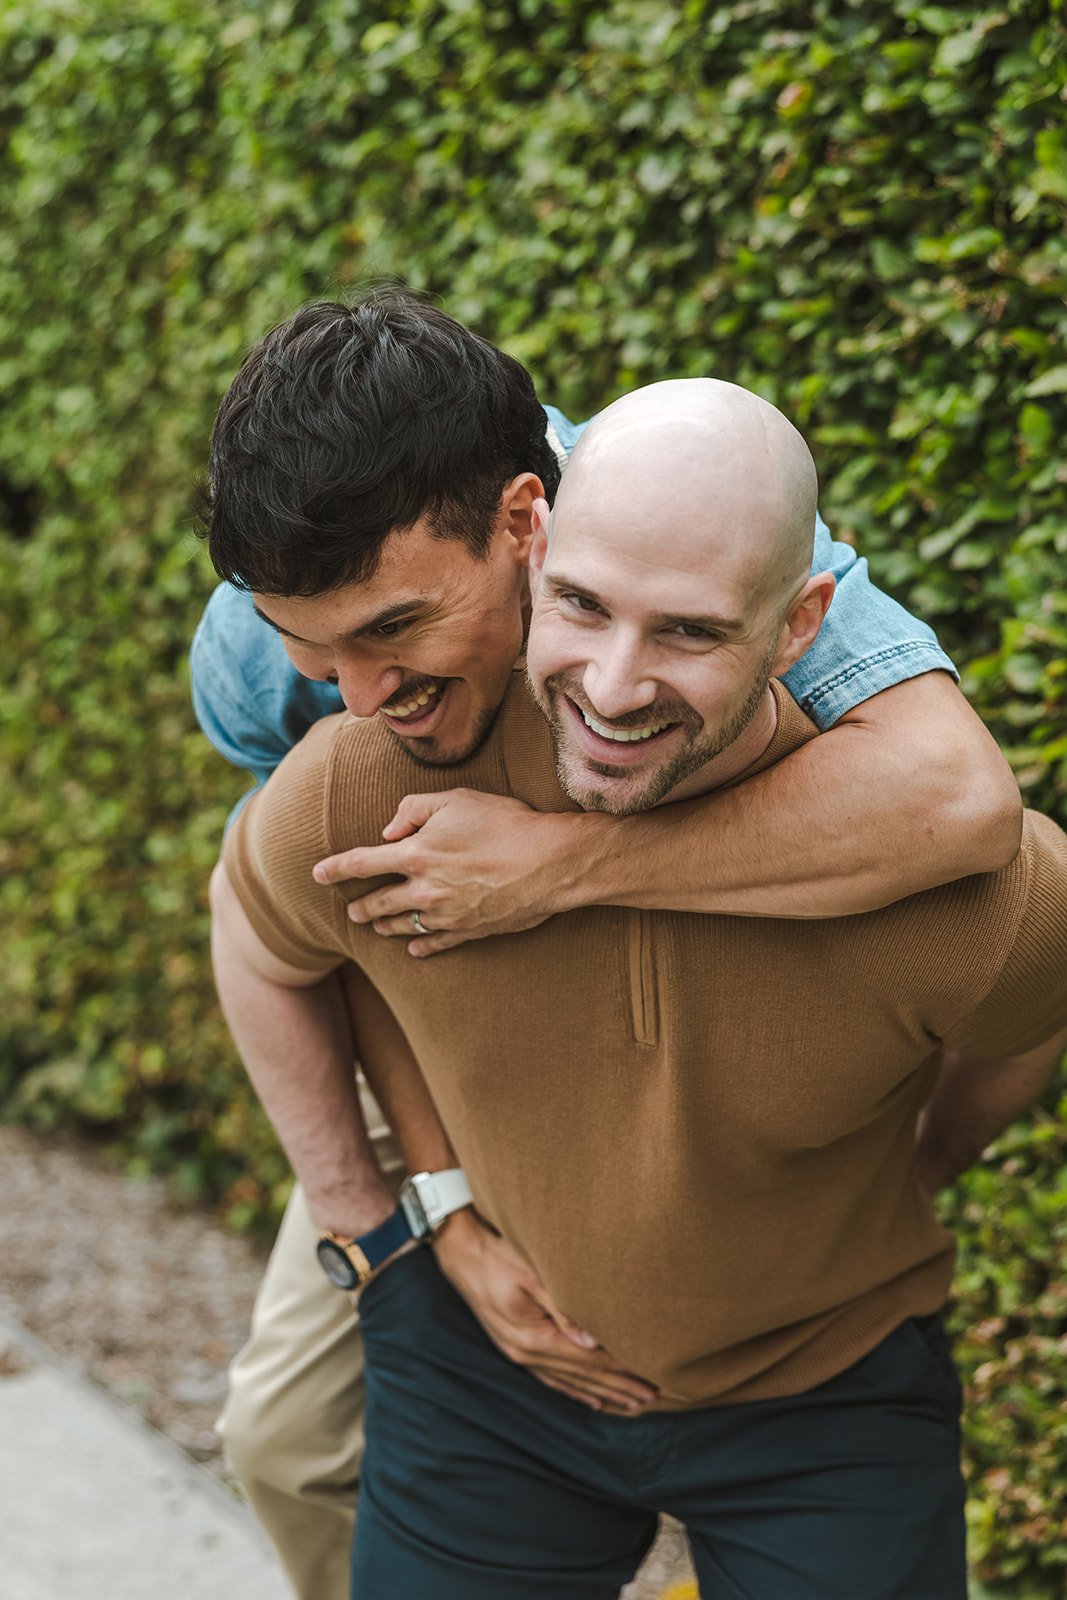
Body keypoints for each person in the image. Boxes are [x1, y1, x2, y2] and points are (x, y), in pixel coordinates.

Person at [193, 295, 1022, 1597]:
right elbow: (329, 941)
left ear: (528, 529)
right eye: (315, 647)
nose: (355, 695)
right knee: (288, 1446)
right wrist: (426, 1218)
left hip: (783, 1312)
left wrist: (561, 868)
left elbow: (958, 802)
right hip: (451, 1041)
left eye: (396, 629)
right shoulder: (253, 661)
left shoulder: (686, 527)